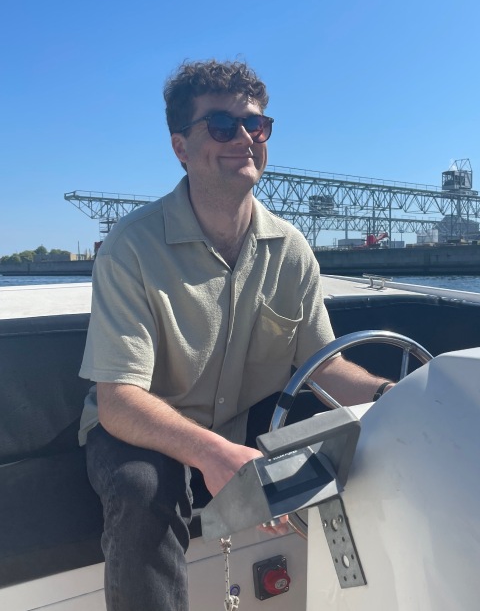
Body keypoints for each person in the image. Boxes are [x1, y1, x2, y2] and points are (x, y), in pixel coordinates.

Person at [79, 59, 394, 611]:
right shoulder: (132, 247)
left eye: (257, 125)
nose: (245, 138)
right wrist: (216, 455)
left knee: (373, 453)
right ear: (180, 147)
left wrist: (400, 399)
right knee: (142, 489)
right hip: (142, 425)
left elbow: (322, 365)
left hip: (238, 426)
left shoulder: (291, 249)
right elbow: (118, 401)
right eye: (222, 126)